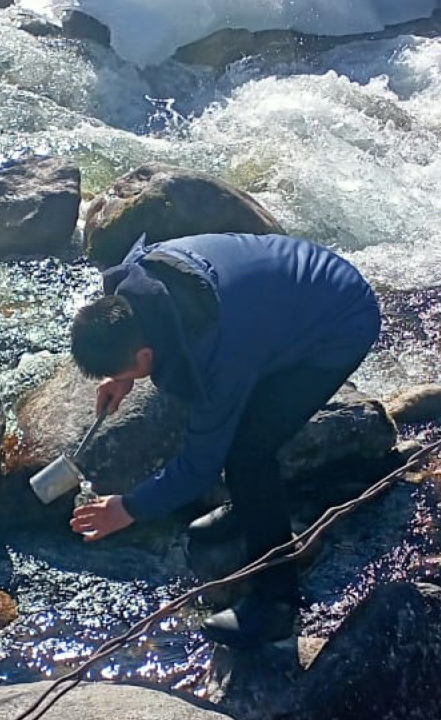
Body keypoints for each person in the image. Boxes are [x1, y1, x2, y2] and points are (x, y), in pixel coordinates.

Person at [67, 232, 381, 647]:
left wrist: (128, 508)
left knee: (248, 452)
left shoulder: (216, 354)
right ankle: (247, 508)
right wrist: (121, 377)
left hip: (340, 320)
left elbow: (199, 467)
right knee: (235, 425)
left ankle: (276, 602)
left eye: (126, 369)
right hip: (287, 294)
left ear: (143, 356)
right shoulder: (136, 278)